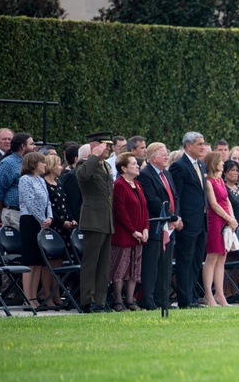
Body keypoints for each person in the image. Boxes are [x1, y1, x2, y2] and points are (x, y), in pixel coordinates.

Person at [137, 142, 181, 311]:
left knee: (166, 264)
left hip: (169, 226)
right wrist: (170, 216)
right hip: (156, 225)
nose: (166, 157)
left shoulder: (167, 174)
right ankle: (148, 300)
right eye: (164, 154)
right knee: (151, 265)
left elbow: (174, 197)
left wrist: (175, 216)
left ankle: (163, 299)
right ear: (153, 157)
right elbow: (152, 199)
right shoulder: (145, 175)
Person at [169, 132, 208, 309]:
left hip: (201, 220)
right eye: (199, 144)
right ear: (188, 146)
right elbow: (176, 194)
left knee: (196, 260)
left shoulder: (200, 164)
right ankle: (185, 299)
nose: (202, 147)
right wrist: (178, 217)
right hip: (187, 221)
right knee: (185, 259)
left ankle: (192, 296)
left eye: (203, 144)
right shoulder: (179, 166)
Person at [76, 133, 115, 312]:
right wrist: (93, 156)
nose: (108, 148)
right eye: (104, 145)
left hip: (106, 219)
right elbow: (83, 177)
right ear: (94, 145)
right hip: (92, 219)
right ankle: (87, 300)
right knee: (91, 263)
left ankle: (100, 300)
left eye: (109, 145)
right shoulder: (86, 164)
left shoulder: (105, 166)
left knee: (103, 264)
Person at [109, 152, 149, 311]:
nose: (137, 166)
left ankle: (130, 299)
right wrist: (133, 231)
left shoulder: (138, 184)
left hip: (139, 234)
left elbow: (144, 208)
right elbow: (120, 211)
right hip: (124, 234)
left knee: (134, 267)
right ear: (124, 168)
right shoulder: (119, 184)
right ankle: (118, 300)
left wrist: (145, 228)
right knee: (120, 267)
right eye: (133, 163)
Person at [202, 151, 239, 307]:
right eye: (221, 161)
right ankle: (208, 294)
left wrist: (232, 218)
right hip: (216, 220)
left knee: (222, 257)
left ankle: (220, 293)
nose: (223, 164)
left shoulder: (220, 180)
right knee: (212, 257)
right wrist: (227, 217)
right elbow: (214, 204)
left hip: (226, 219)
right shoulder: (209, 181)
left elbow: (226, 200)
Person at [17, 151, 52, 309]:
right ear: (33, 163)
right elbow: (29, 201)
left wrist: (49, 217)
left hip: (42, 221)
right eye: (42, 162)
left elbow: (47, 201)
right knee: (30, 261)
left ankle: (34, 296)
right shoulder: (25, 180)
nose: (45, 165)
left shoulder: (41, 180)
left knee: (38, 261)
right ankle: (27, 297)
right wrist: (41, 219)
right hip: (30, 221)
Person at [43, 154, 76, 246]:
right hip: (54, 225)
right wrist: (61, 222)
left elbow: (65, 203)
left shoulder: (59, 184)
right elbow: (47, 206)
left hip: (65, 225)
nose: (61, 167)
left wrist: (72, 219)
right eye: (58, 165)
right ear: (51, 166)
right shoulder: (44, 184)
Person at [222, 160, 239, 227]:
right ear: (225, 172)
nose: (235, 173)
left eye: (237, 170)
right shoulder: (223, 188)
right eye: (232, 170)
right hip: (229, 225)